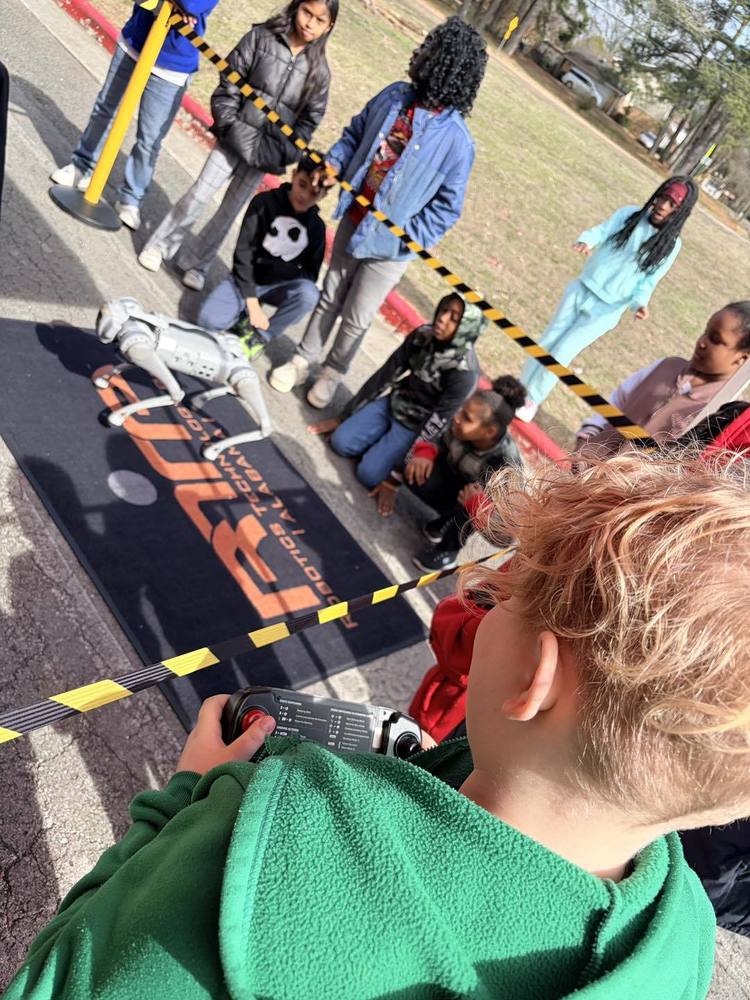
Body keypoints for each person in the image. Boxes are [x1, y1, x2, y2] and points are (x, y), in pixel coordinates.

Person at [9, 452, 750, 998]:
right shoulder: (676, 944)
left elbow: (58, 978)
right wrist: (449, 771)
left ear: (536, 680)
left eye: (507, 590)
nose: (483, 591)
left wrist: (180, 803)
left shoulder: (259, 837)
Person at [268, 16, 488, 409]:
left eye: (430, 49)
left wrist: (407, 239)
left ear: (448, 67)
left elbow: (446, 208)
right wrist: (334, 165)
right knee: (330, 295)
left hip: (391, 249)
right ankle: (304, 358)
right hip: (355, 221)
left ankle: (333, 372)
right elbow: (353, 135)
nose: (420, 52)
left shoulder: (457, 143)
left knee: (357, 314)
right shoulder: (394, 96)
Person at [137, 0, 336, 290]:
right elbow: (230, 78)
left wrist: (283, 152)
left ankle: (197, 263)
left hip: (265, 155)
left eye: (320, 20)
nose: (309, 23)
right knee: (199, 195)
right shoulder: (261, 37)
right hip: (232, 138)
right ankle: (160, 245)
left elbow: (309, 122)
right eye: (307, 13)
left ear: (328, 26)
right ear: (296, 7)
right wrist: (229, 123)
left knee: (229, 212)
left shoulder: (320, 74)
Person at [518, 176, 698, 419]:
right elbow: (602, 231)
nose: (663, 206)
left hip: (606, 310)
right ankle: (518, 390)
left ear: (680, 212)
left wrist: (640, 304)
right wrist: (586, 240)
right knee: (548, 341)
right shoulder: (630, 215)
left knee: (562, 353)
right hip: (581, 288)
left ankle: (532, 400)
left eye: (671, 204)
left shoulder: (671, 245)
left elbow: (648, 282)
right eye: (662, 198)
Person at [309, 293, 485, 515]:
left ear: (467, 327)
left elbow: (437, 425)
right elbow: (386, 375)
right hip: (395, 403)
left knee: (368, 475)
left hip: (417, 427)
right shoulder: (422, 335)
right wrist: (345, 416)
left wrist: (394, 478)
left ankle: (380, 453)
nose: (442, 318)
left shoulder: (465, 373)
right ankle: (373, 442)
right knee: (340, 442)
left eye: (455, 318)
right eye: (444, 310)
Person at [49, 0, 219, 231]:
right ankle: (82, 166)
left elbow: (192, 4)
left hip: (172, 65)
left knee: (149, 138)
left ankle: (130, 198)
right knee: (106, 108)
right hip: (135, 41)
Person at [575, 301, 750, 457]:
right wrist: (589, 432)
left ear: (742, 358)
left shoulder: (723, 414)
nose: (702, 342)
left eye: (715, 339)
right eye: (705, 332)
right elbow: (619, 399)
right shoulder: (668, 365)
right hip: (584, 462)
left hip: (615, 490)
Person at [196, 155, 327, 359]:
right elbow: (243, 254)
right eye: (302, 185)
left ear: (322, 196)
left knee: (309, 294)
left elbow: (311, 273)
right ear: (293, 176)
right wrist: (252, 302)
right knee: (207, 321)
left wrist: (285, 275)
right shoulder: (264, 203)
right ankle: (244, 315)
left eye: (313, 193)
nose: (304, 195)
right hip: (248, 279)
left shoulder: (317, 228)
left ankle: (259, 336)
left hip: (279, 287)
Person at [399, 375, 525, 571]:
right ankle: (445, 520)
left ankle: (448, 552)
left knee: (475, 500)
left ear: (489, 431)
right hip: (455, 482)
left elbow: (506, 536)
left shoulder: (507, 468)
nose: (457, 417)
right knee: (412, 464)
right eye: (462, 410)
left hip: (472, 503)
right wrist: (425, 452)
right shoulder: (460, 427)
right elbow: (435, 436)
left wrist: (478, 508)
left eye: (467, 418)